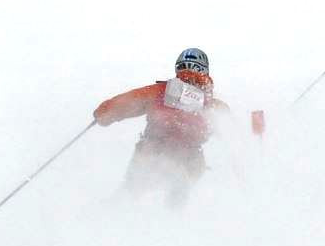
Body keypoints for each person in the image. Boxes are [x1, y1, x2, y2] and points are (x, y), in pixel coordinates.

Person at [93, 48, 229, 204]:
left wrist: (103, 114)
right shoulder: (213, 106)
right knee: (180, 195)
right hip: (190, 158)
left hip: (152, 151)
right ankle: (176, 211)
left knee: (130, 193)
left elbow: (123, 104)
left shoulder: (160, 91)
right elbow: (234, 135)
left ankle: (114, 210)